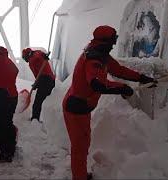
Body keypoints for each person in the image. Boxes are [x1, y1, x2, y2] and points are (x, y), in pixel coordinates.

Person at [62, 25, 157, 180]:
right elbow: (98, 84)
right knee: (80, 147)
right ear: (105, 42)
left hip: (82, 105)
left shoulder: (101, 54)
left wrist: (141, 78)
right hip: (76, 107)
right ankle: (79, 177)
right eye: (112, 41)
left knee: (83, 143)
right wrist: (122, 88)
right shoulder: (94, 59)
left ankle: (80, 174)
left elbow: (118, 70)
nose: (113, 45)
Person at [22, 47, 55, 122]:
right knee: (49, 101)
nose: (25, 60)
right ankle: (50, 120)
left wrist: (36, 85)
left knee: (37, 103)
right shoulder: (38, 53)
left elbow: (39, 76)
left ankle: (35, 120)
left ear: (27, 56)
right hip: (51, 80)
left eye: (24, 58)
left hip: (45, 81)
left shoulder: (32, 61)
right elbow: (41, 55)